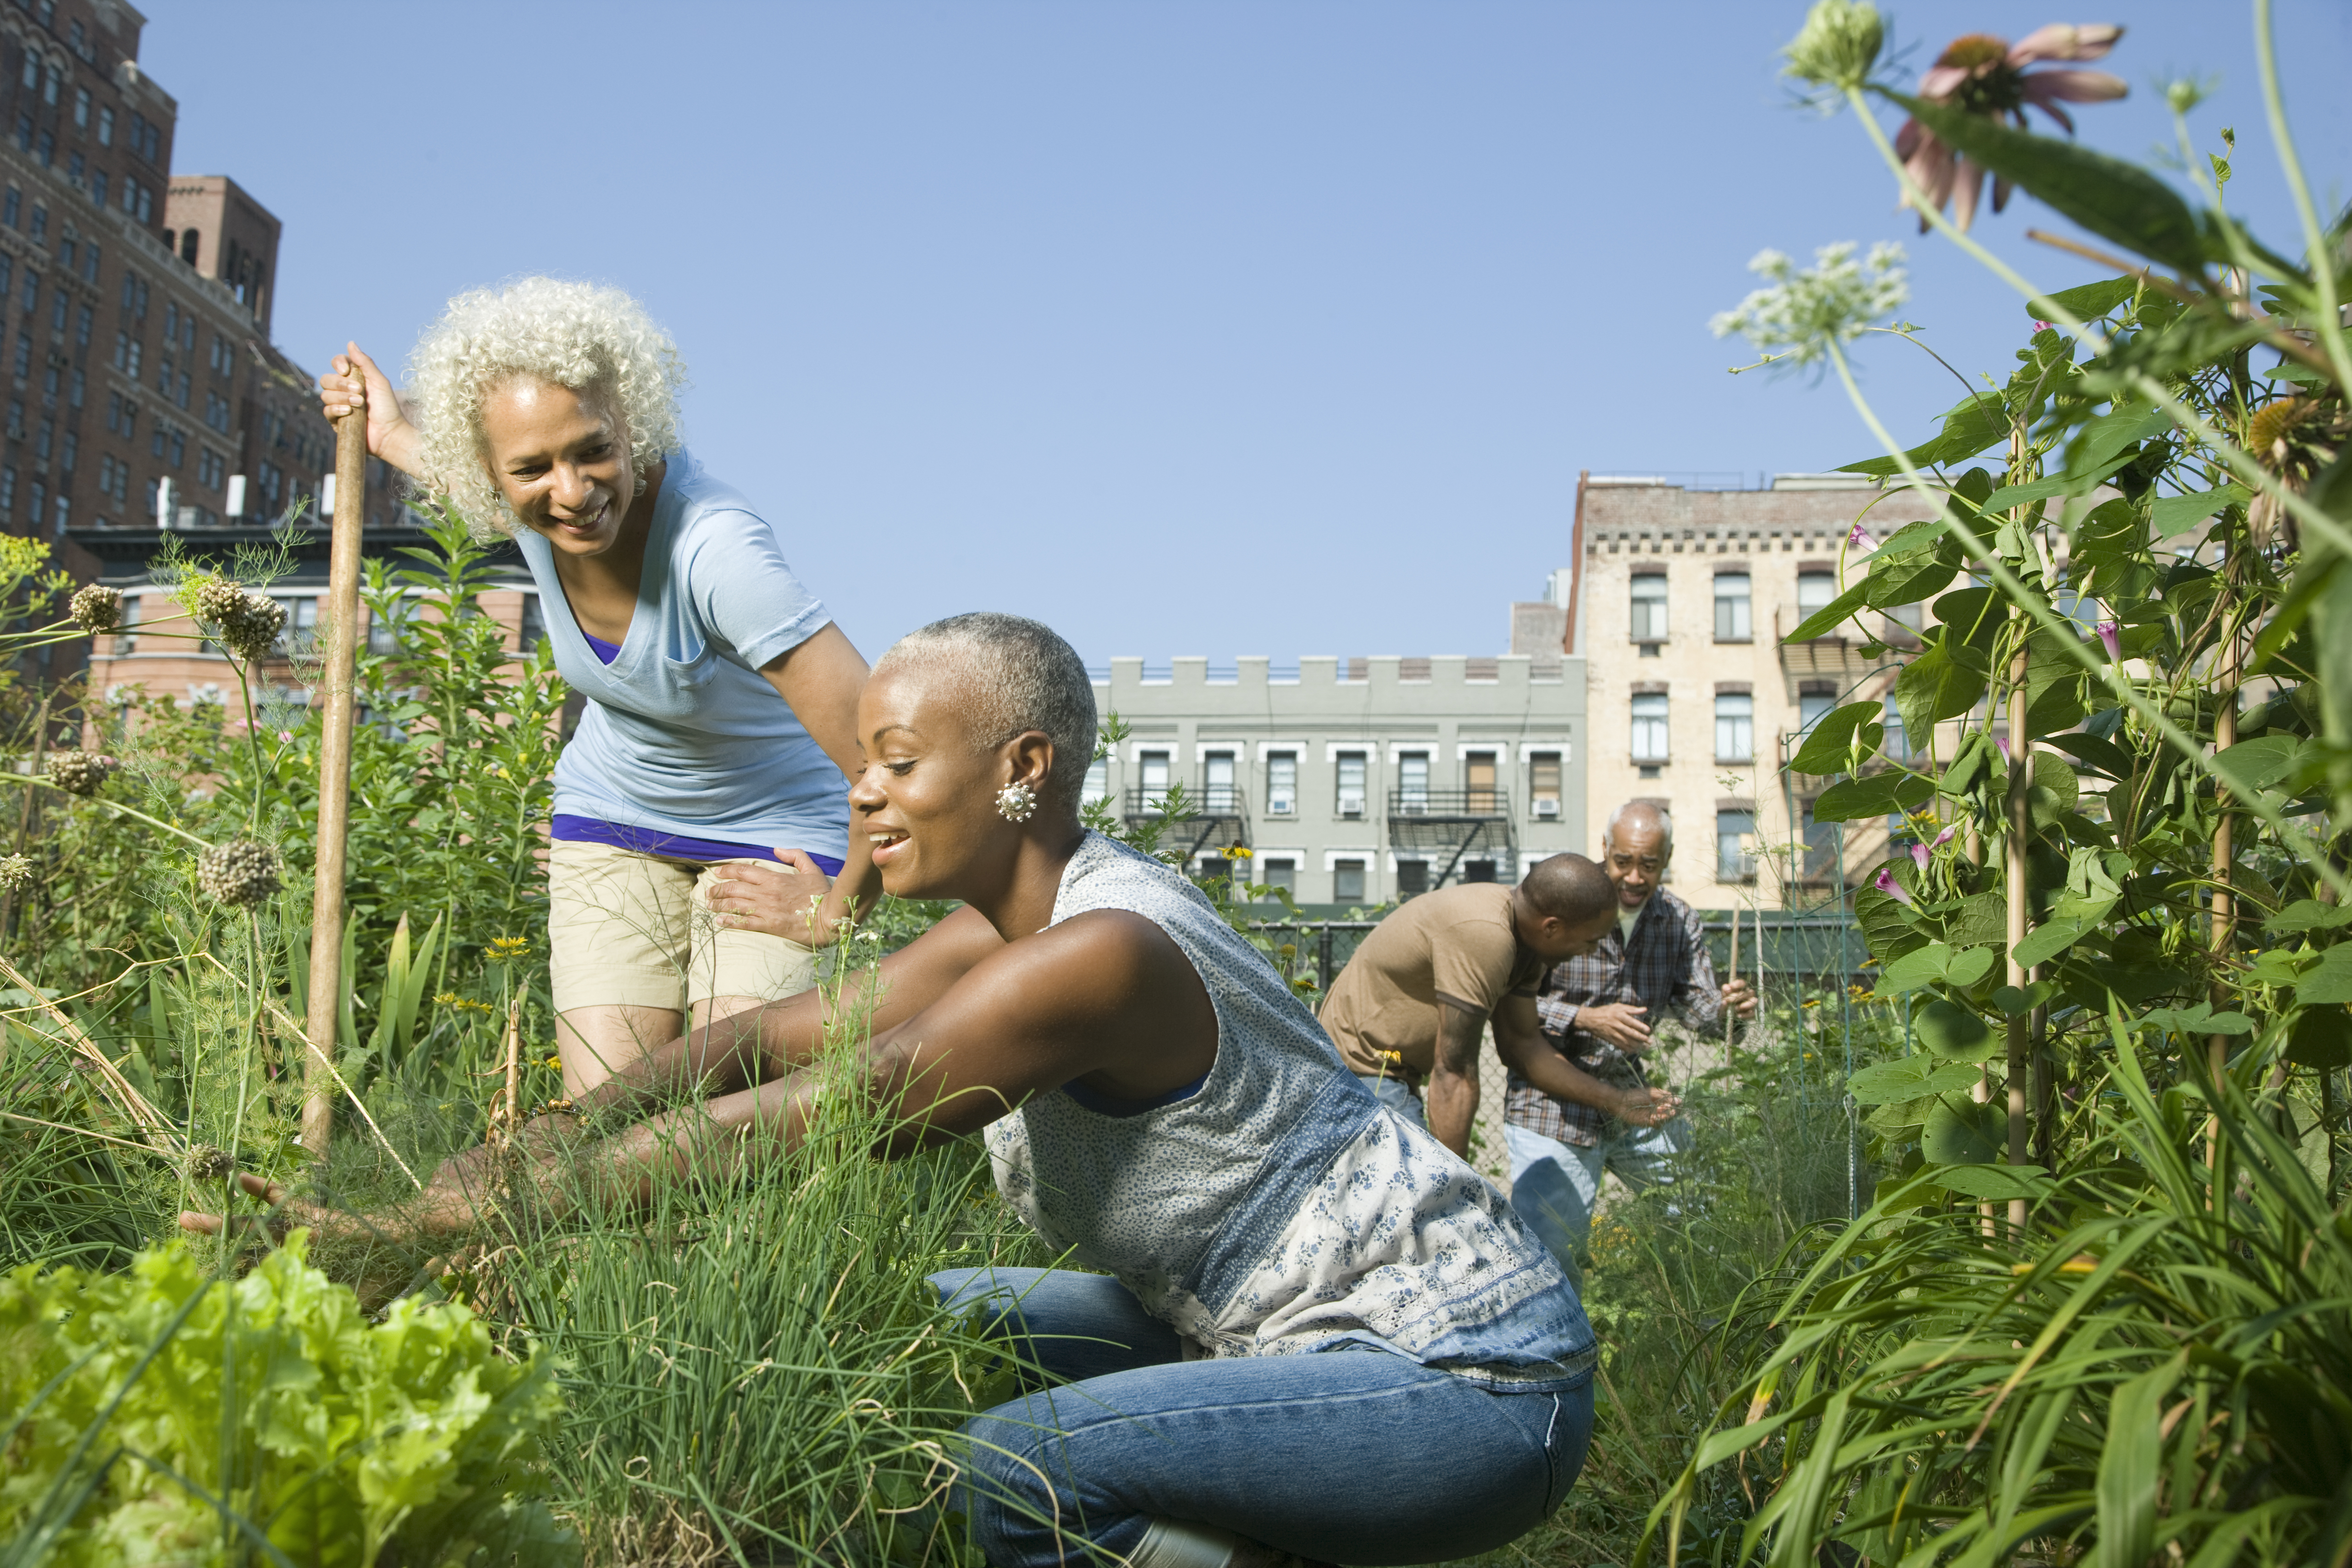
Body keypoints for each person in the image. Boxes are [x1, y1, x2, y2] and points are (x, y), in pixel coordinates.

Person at [188, 613, 1596, 1568]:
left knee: (1009, 1468)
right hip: (1266, 1337)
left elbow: (834, 1111)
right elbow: (758, 1045)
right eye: (861, 760)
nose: (862, 795)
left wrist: (455, 1228)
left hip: (1465, 1382)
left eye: (900, 762)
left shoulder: (1100, 953)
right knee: (910, 1326)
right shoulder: (1003, 933)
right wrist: (546, 1136)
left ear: (1023, 770)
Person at [317, 280, 876, 1099]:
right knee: (610, 1121)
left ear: (633, 424)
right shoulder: (524, 502)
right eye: (533, 468)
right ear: (490, 476)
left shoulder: (718, 555)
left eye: (593, 451)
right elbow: (462, 459)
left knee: (730, 1115)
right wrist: (391, 428)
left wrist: (838, 912)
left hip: (775, 831)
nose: (572, 492)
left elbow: (883, 761)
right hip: (615, 820)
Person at [1502, 801, 1756, 1285]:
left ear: (1668, 858)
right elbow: (1506, 1005)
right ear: (1604, 850)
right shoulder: (1562, 900)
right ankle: (1550, 1356)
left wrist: (1730, 1012)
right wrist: (1584, 1017)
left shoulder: (1678, 920)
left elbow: (1701, 1011)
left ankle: (1685, 1327)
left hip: (1634, 1102)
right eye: (1623, 862)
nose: (1635, 877)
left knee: (1700, 1218)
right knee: (1552, 1258)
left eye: (1650, 864)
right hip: (1552, 1105)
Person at [1320, 861, 1670, 1159]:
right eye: (1591, 940)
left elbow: (1524, 1046)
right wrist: (1456, 1196)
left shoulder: (1527, 942)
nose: (1592, 952)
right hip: (1358, 1073)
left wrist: (1618, 1100)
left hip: (1389, 1076)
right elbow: (1453, 1072)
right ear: (1552, 927)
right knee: (1419, 1206)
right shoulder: (1486, 934)